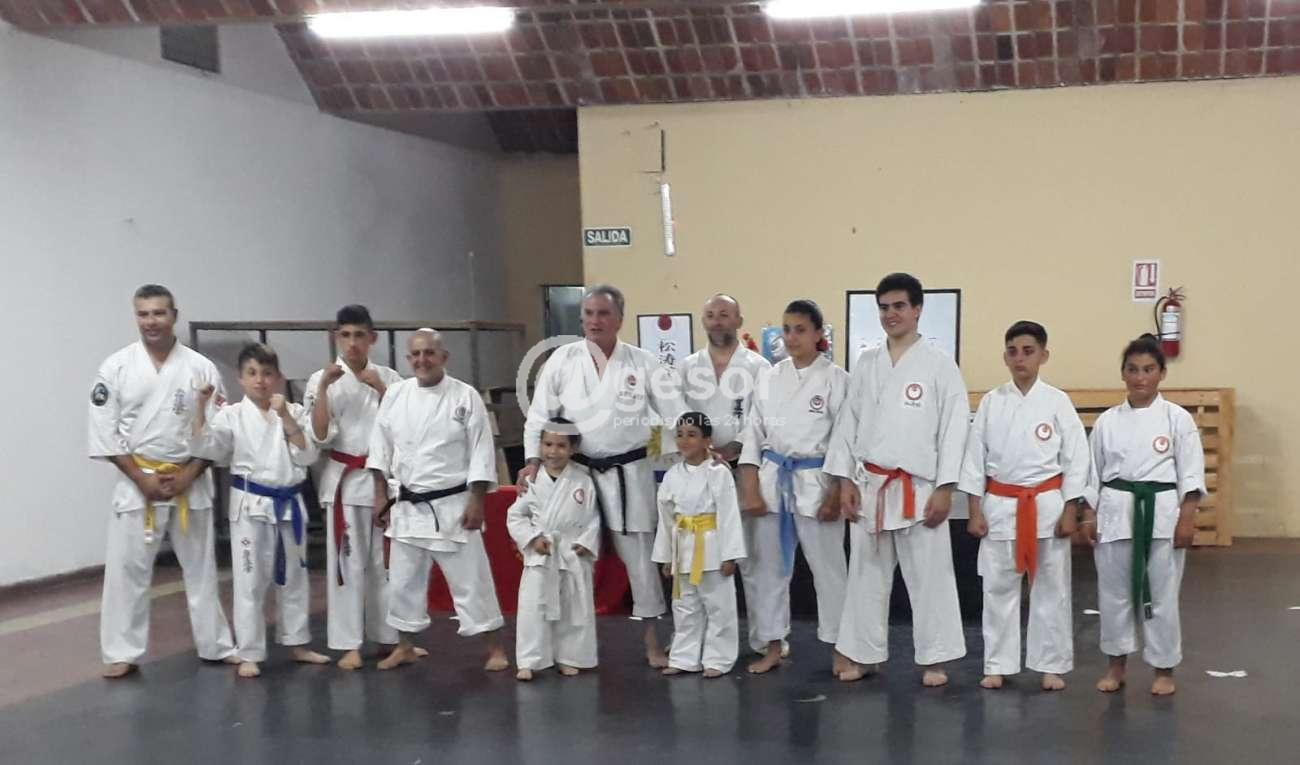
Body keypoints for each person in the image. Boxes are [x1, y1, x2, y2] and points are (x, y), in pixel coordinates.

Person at [519, 284, 686, 667]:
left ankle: (652, 642)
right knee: (572, 556)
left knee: (639, 560)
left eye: (604, 314)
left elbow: (675, 413)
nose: (595, 321)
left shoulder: (643, 363)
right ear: (581, 318)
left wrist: (691, 453)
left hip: (629, 473)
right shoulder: (561, 360)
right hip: (575, 472)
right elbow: (539, 416)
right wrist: (532, 459)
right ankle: (567, 646)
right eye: (589, 314)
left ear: (620, 319)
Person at [826, 272, 969, 686]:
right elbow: (848, 424)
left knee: (930, 577)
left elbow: (954, 430)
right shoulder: (867, 363)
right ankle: (863, 655)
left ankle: (935, 660)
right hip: (871, 486)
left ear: (917, 309)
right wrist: (845, 482)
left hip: (919, 487)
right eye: (884, 307)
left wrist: (945, 488)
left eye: (899, 306)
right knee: (866, 577)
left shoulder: (940, 365)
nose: (891, 314)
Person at [88, 284, 235, 678]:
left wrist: (188, 474)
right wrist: (142, 479)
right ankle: (121, 651)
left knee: (202, 568)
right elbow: (104, 432)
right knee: (127, 572)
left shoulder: (201, 368)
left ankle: (217, 644)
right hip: (138, 481)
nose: (151, 321)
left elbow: (219, 431)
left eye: (158, 313)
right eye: (143, 314)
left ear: (174, 316)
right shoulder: (116, 368)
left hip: (190, 478)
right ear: (135, 316)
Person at [367, 329, 509, 672]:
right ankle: (405, 646)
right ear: (408, 359)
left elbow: (481, 450)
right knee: (402, 583)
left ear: (444, 357)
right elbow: (380, 448)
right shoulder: (396, 395)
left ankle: (495, 649)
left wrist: (477, 501)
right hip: (407, 507)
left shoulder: (465, 396)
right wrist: (380, 495)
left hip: (453, 505)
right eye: (416, 354)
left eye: (429, 353)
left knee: (472, 581)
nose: (422, 360)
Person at [959, 321, 1089, 691]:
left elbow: (1076, 458)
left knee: (1051, 589)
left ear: (1044, 355)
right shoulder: (991, 402)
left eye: (1028, 351)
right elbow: (974, 459)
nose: (1020, 358)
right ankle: (997, 664)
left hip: (1046, 505)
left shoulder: (1057, 401)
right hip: (1001, 504)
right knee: (998, 589)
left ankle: (1050, 665)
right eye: (1013, 351)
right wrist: (974, 510)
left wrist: (1071, 509)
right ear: (1005, 357)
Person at [192, 343, 331, 678]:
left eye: (267, 373)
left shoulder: (294, 411)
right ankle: (250, 651)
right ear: (241, 379)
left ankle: (297, 642)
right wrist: (199, 406)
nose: (260, 380)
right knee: (250, 580)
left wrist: (285, 417)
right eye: (252, 373)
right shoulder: (232, 415)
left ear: (278, 377)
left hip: (290, 504)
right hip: (250, 506)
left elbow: (308, 456)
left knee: (295, 576)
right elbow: (207, 447)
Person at [1082, 334, 1204, 696]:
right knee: (1113, 595)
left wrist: (1187, 518)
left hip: (1162, 514)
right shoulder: (1107, 421)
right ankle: (1116, 665)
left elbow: (1191, 474)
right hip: (1115, 512)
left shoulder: (1177, 419)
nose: (1140, 377)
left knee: (1162, 595)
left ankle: (1163, 669)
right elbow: (1092, 474)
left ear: (1162, 373)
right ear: (1123, 373)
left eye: (1149, 369)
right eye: (1133, 370)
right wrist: (1088, 514)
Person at [736, 299, 849, 676]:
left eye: (800, 329)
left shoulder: (837, 379)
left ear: (818, 333)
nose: (791, 337)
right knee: (768, 570)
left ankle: (842, 649)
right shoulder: (769, 377)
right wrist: (750, 486)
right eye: (786, 329)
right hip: (773, 481)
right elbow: (753, 433)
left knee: (830, 571)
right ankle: (772, 645)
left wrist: (836, 492)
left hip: (817, 481)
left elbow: (844, 441)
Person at [303, 305, 415, 671]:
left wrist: (380, 388)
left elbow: (406, 426)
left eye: (359, 335)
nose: (352, 343)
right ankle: (348, 643)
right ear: (337, 337)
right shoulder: (321, 379)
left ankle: (390, 638)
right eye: (346, 335)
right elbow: (319, 435)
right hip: (345, 482)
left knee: (385, 565)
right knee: (348, 564)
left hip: (383, 482)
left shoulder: (390, 377)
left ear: (373, 338)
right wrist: (324, 388)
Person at [678, 294, 774, 660]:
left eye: (724, 314)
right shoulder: (688, 367)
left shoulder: (759, 366)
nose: (717, 321)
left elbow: (764, 416)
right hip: (700, 472)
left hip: (744, 468)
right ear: (703, 321)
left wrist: (736, 446)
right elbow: (677, 416)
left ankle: (765, 640)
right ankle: (697, 641)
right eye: (711, 315)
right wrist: (699, 450)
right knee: (700, 561)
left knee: (751, 559)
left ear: (739, 320)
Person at [507, 418, 601, 681]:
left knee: (573, 609)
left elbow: (592, 518)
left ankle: (569, 657)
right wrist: (532, 538)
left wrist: (586, 541)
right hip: (542, 553)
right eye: (548, 444)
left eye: (561, 445)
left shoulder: (583, 480)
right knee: (533, 608)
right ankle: (529, 660)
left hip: (571, 552)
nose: (553, 451)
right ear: (539, 446)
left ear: (573, 448)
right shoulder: (531, 480)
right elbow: (516, 516)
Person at [653, 412, 746, 677]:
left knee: (719, 606)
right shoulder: (672, 475)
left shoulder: (719, 472)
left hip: (712, 545)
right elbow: (665, 519)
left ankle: (718, 659)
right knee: (685, 606)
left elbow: (729, 514)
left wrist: (730, 555)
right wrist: (666, 556)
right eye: (680, 435)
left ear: (707, 440)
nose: (684, 440)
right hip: (682, 545)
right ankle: (684, 658)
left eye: (692, 435)